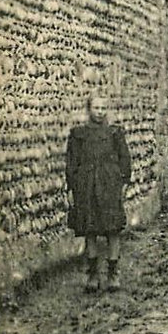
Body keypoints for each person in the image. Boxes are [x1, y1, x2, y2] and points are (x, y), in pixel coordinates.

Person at [66, 95, 131, 293]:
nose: (100, 111)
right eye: (96, 107)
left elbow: (124, 158)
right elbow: (72, 162)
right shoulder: (78, 134)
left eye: (103, 107)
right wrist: (70, 187)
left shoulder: (115, 133)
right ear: (89, 109)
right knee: (90, 229)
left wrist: (124, 182)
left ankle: (113, 273)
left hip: (110, 184)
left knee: (112, 229)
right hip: (86, 185)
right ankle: (93, 274)